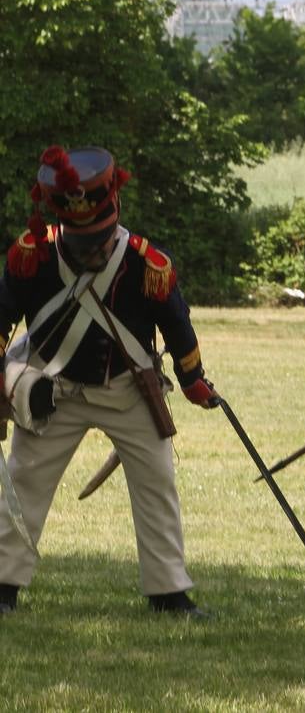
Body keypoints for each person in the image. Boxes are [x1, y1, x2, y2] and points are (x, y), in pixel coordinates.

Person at [0, 146, 216, 617]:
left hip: (128, 391)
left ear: (113, 210)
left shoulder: (145, 262)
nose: (91, 248)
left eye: (96, 239)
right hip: (52, 392)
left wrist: (193, 378)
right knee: (23, 483)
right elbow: (2, 316)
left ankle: (169, 594)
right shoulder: (31, 255)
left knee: (157, 485)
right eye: (81, 242)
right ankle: (3, 585)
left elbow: (176, 324)